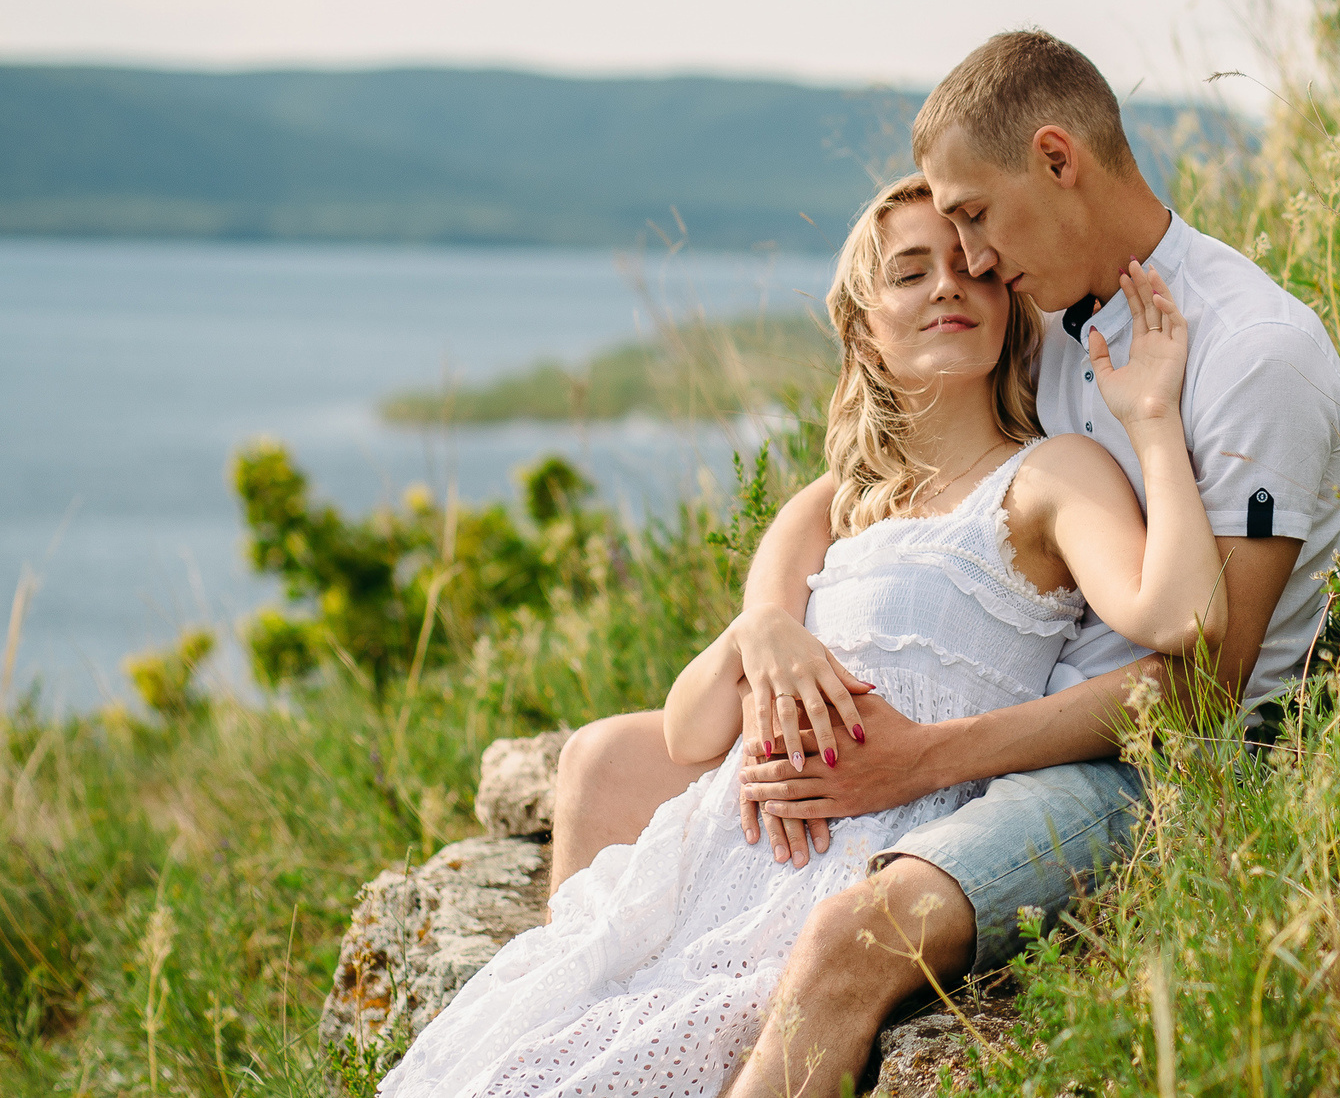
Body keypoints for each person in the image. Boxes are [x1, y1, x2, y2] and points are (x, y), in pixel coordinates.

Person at [545, 30, 1340, 1098]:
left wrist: (921, 759)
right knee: (605, 763)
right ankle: (561, 1033)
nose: (967, 261)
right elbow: (880, 486)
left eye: (973, 216)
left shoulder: (1252, 353)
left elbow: (1205, 685)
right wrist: (769, 615)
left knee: (852, 936)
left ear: (1057, 160)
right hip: (990, 702)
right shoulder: (1048, 311)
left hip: (1143, 763)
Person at [381, 174, 1226, 1095]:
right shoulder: (831, 504)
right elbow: (691, 730)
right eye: (910, 272)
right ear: (864, 329)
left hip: (892, 828)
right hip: (743, 838)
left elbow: (1182, 616)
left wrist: (1152, 420)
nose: (948, 285)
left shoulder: (1049, 475)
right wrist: (758, 632)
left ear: (1008, 307)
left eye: (971, 269)